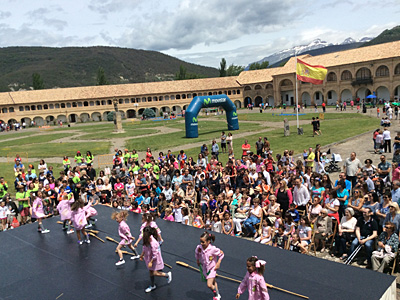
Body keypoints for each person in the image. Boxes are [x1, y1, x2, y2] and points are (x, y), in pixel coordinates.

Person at [140, 226, 172, 293]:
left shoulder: (154, 243)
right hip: (149, 258)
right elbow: (144, 248)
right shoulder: (146, 240)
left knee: (154, 272)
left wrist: (151, 262)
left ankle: (167, 275)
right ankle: (152, 285)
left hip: (154, 260)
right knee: (151, 272)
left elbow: (155, 255)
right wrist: (142, 255)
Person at [195, 232, 224, 300]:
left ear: (208, 242)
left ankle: (217, 294)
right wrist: (197, 260)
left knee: (209, 284)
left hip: (212, 268)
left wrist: (218, 263)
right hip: (205, 268)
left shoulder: (213, 249)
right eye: (200, 241)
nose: (201, 243)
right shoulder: (199, 248)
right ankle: (217, 295)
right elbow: (197, 253)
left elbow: (221, 254)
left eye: (203, 242)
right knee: (214, 282)